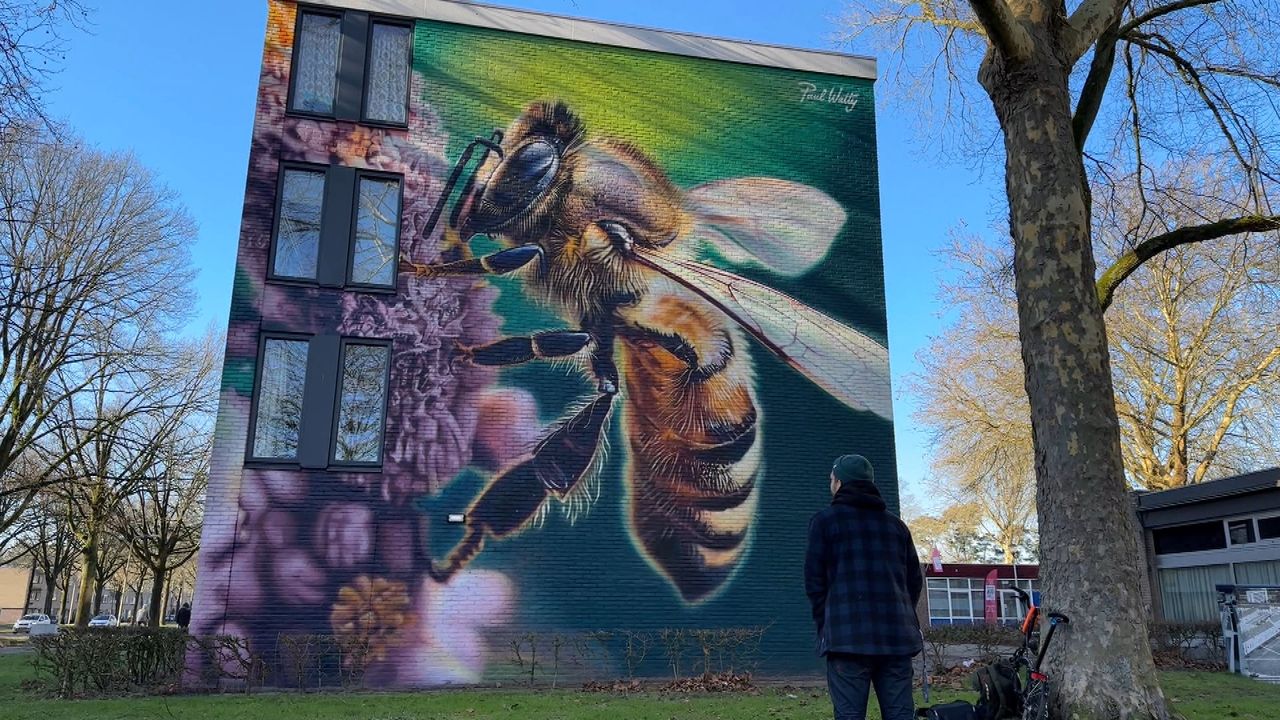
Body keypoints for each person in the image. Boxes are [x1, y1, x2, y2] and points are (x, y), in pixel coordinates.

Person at [805, 454, 924, 720]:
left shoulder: (824, 522)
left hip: (847, 639)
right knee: (901, 714)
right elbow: (914, 582)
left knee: (849, 715)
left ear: (839, 483)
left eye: (831, 479)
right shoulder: (897, 527)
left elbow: (814, 584)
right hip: (896, 638)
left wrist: (827, 623)